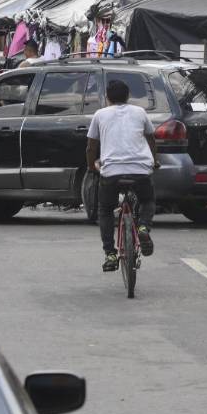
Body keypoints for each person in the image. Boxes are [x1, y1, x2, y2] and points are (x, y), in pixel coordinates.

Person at [86, 79, 158, 272]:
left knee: (105, 209)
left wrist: (92, 167)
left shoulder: (100, 114)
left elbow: (91, 147)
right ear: (128, 96)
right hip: (140, 170)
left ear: (107, 97)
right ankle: (143, 227)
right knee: (148, 200)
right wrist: (154, 160)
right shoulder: (140, 112)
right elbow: (151, 139)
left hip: (111, 172)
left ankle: (110, 254)